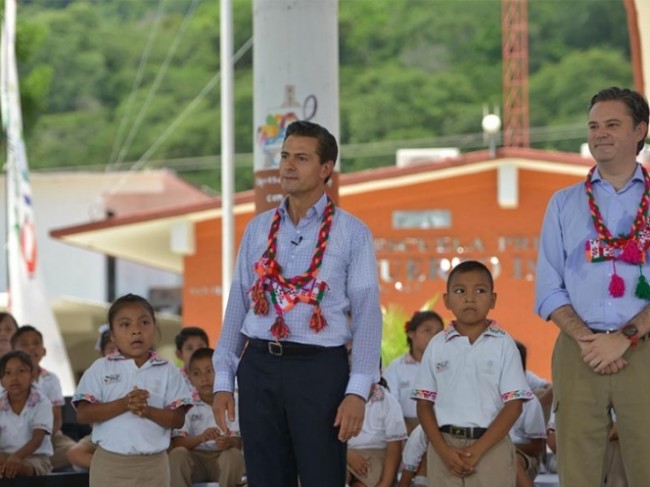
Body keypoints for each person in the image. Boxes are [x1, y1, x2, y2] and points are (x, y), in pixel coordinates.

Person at [213, 120, 383, 487]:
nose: (288, 166)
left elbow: (368, 316)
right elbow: (238, 305)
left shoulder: (352, 232)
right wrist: (224, 378)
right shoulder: (258, 228)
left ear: (326, 169)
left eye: (301, 158)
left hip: (319, 370)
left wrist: (357, 391)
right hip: (258, 366)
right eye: (285, 156)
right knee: (265, 479)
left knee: (323, 477)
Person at [535, 86, 650, 487]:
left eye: (612, 125)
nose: (600, 133)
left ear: (640, 131)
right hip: (578, 351)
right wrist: (589, 339)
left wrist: (625, 337)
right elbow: (548, 288)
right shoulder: (564, 203)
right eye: (594, 126)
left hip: (643, 349)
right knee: (578, 473)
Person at [413, 260, 532, 487]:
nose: (470, 297)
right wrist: (442, 450)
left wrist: (477, 451)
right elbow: (424, 404)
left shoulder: (504, 344)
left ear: (493, 299)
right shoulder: (437, 345)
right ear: (446, 300)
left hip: (490, 446)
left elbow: (514, 405)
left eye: (480, 290)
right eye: (460, 291)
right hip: (443, 446)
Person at [73, 293, 193, 487]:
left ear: (154, 327)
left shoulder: (167, 370)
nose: (136, 331)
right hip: (109, 464)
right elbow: (84, 414)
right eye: (125, 325)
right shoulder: (100, 368)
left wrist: (147, 411)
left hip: (154, 466)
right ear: (112, 334)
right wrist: (125, 403)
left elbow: (177, 419)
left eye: (144, 323)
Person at [169, 347, 244, 487]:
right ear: (189, 378)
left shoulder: (233, 400)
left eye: (209, 370)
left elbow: (237, 442)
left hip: (222, 458)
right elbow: (178, 443)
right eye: (197, 373)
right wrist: (201, 438)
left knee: (234, 455)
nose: (204, 378)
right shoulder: (186, 403)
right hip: (196, 459)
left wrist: (227, 442)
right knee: (177, 455)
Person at [11, 324, 76, 470]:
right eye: (24, 344)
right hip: (13, 438)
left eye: (36, 343)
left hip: (49, 437)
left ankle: (36, 463)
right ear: (13, 351)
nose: (31, 348)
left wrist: (42, 440)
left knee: (74, 451)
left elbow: (57, 418)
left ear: (44, 351)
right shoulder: (6, 380)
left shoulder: (50, 379)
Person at [66, 325, 118, 471]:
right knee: (75, 453)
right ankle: (112, 469)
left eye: (119, 348)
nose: (115, 353)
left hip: (133, 433)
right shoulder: (96, 374)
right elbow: (86, 416)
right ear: (102, 352)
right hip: (101, 434)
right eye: (111, 349)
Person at [384, 310, 444, 433]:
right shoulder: (396, 367)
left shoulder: (448, 366)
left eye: (438, 333)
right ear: (411, 334)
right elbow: (390, 404)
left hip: (442, 426)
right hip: (405, 426)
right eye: (427, 330)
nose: (434, 337)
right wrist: (405, 428)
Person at [346, 373, 407, 487]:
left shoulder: (388, 402)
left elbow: (394, 449)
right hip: (343, 451)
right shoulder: (336, 398)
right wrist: (346, 454)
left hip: (376, 454)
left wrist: (385, 483)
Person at [0, 350, 53, 477]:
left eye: (21, 371)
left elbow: (37, 438)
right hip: (5, 455)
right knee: (6, 468)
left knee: (20, 469)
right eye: (7, 373)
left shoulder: (41, 402)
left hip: (35, 457)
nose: (14, 377)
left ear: (32, 376)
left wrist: (16, 457)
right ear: (1, 381)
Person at [511, 342, 547, 487]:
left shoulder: (529, 401)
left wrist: (506, 448)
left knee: (510, 462)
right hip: (483, 452)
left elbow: (537, 447)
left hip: (522, 455)